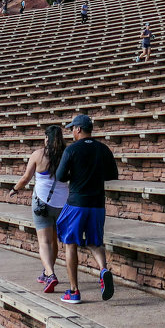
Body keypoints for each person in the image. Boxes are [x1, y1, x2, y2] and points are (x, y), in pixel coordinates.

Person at [53, 114, 118, 305]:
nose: (71, 132)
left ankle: (73, 291)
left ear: (79, 129)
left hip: (76, 203)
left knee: (70, 243)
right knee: (95, 242)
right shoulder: (103, 149)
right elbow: (112, 173)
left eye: (72, 128)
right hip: (97, 204)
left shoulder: (72, 150)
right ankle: (103, 270)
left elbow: (60, 176)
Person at [10, 125, 69, 294]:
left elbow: (26, 177)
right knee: (54, 240)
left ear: (46, 138)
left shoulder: (38, 154)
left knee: (44, 241)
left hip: (41, 201)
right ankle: (46, 271)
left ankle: (50, 274)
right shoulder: (66, 154)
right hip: (61, 203)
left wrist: (15, 189)